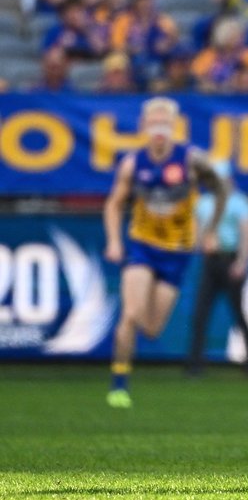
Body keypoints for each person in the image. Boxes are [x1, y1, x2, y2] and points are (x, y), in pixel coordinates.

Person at [103, 97, 226, 409]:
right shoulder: (133, 163)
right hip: (142, 245)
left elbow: (221, 189)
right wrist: (114, 241)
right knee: (130, 313)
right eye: (153, 122)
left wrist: (210, 230)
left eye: (164, 123)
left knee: (153, 328)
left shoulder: (191, 160)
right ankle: (119, 382)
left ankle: (126, 359)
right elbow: (115, 203)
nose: (158, 129)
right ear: (144, 126)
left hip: (178, 251)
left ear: (173, 127)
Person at [186, 161, 248, 377]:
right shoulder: (204, 203)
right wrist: (203, 242)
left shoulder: (239, 203)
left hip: (230, 260)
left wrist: (242, 263)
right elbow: (197, 236)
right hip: (210, 261)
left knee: (238, 314)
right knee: (200, 314)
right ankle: (195, 364)